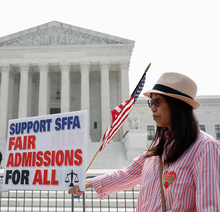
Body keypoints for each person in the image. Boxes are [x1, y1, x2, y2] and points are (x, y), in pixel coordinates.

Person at [68, 72, 220, 211]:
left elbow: (209, 207)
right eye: (151, 103)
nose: (152, 109)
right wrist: (88, 183)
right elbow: (128, 174)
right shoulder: (158, 146)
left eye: (157, 102)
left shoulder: (205, 147)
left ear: (177, 105)